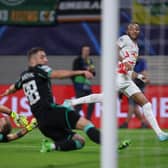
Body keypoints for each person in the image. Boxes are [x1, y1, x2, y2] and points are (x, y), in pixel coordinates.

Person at [1, 47, 129, 152]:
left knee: (79, 141)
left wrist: (6, 93)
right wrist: (81, 72)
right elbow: (56, 75)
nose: (46, 60)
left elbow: (14, 87)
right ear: (33, 60)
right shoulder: (39, 69)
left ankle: (50, 146)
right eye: (42, 57)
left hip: (42, 123)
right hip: (51, 112)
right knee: (87, 124)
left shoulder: (24, 76)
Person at [63, 23, 168, 142]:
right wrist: (123, 62)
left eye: (137, 29)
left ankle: (160, 133)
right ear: (128, 31)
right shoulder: (125, 38)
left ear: (139, 32)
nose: (134, 31)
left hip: (126, 79)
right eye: (132, 29)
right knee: (104, 97)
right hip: (118, 76)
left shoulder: (136, 47)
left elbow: (129, 70)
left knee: (146, 105)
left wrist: (141, 77)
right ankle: (71, 102)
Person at [119, 57, 150, 128]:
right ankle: (144, 123)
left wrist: (145, 79)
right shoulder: (134, 61)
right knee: (135, 106)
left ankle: (126, 123)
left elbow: (143, 73)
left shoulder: (140, 61)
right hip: (134, 84)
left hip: (138, 85)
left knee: (132, 105)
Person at [72, 45, 95, 120]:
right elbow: (74, 71)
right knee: (79, 102)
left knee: (92, 101)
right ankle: (74, 120)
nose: (86, 52)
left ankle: (87, 119)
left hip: (87, 84)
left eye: (88, 50)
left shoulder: (90, 61)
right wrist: (85, 70)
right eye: (85, 50)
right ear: (82, 51)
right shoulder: (77, 60)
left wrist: (92, 71)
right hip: (79, 84)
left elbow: (93, 73)